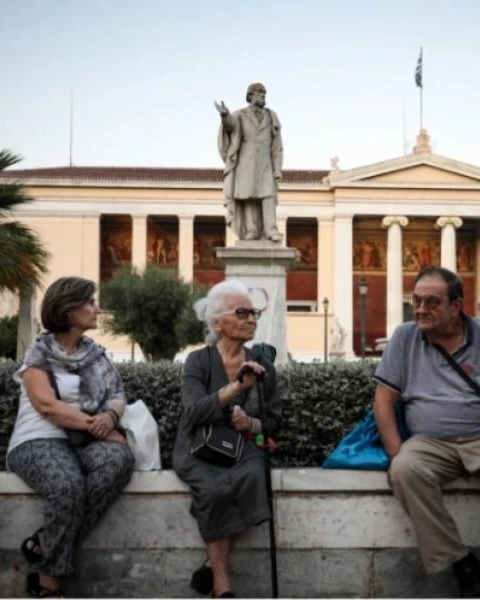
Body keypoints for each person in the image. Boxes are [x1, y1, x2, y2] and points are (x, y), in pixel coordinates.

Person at [374, 267, 480, 598]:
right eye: (416, 300)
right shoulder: (405, 337)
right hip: (429, 442)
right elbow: (383, 400)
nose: (420, 309)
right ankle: (461, 564)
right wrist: (396, 453)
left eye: (432, 302)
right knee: (404, 470)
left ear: (456, 306)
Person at [5, 277, 135, 598]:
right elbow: (47, 405)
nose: (97, 308)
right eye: (90, 302)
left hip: (85, 441)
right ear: (67, 309)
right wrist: (97, 425)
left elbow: (118, 394)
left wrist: (111, 417)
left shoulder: (96, 354)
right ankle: (49, 583)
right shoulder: (40, 352)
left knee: (119, 459)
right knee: (67, 485)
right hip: (39, 439)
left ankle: (45, 541)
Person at [173, 279, 282, 598]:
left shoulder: (265, 366)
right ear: (217, 322)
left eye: (254, 313)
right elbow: (193, 412)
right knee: (214, 489)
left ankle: (211, 565)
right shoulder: (198, 361)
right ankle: (222, 584)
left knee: (250, 479)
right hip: (198, 447)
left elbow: (274, 421)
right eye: (243, 312)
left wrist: (250, 422)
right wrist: (236, 388)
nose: (252, 319)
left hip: (242, 447)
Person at [214, 82, 284, 243]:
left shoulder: (272, 116)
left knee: (268, 195)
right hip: (246, 162)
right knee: (249, 196)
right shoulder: (240, 115)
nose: (263, 96)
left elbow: (277, 146)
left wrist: (278, 168)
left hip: (266, 162)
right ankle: (252, 230)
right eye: (259, 93)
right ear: (250, 96)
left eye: (264, 94)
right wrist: (225, 116)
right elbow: (230, 127)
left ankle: (271, 230)